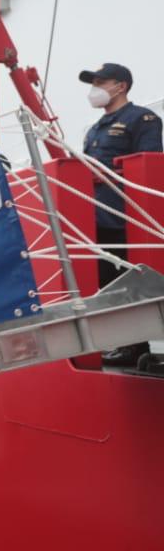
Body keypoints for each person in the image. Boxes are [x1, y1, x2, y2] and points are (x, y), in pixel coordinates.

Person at [80, 63, 163, 366]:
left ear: (121, 86)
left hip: (125, 217)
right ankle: (123, 342)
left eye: (101, 82)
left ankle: (135, 345)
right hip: (96, 217)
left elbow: (149, 163)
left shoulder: (142, 119)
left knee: (128, 281)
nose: (95, 88)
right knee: (105, 282)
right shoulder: (94, 130)